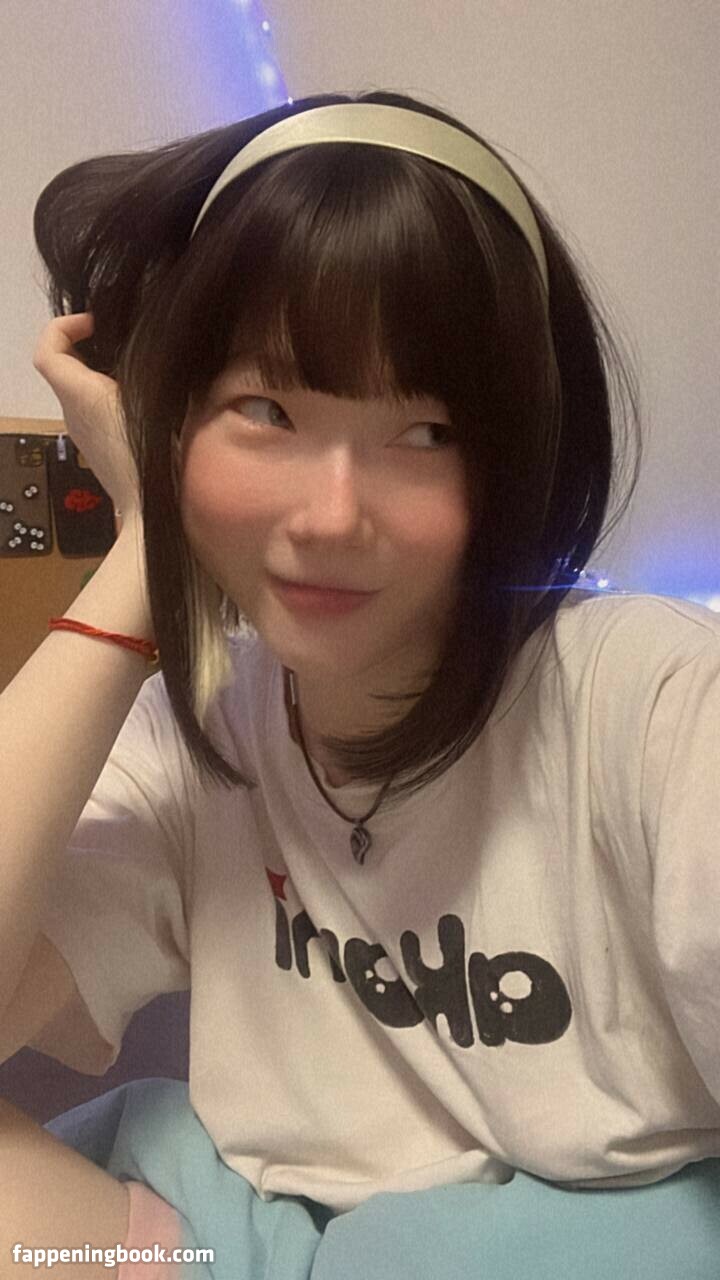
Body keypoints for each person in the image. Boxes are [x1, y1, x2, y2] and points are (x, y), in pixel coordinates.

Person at [1, 88, 719, 1280]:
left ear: (517, 457)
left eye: (426, 432)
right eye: (265, 409)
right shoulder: (201, 730)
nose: (333, 516)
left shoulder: (655, 704)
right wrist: (143, 552)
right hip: (242, 1240)